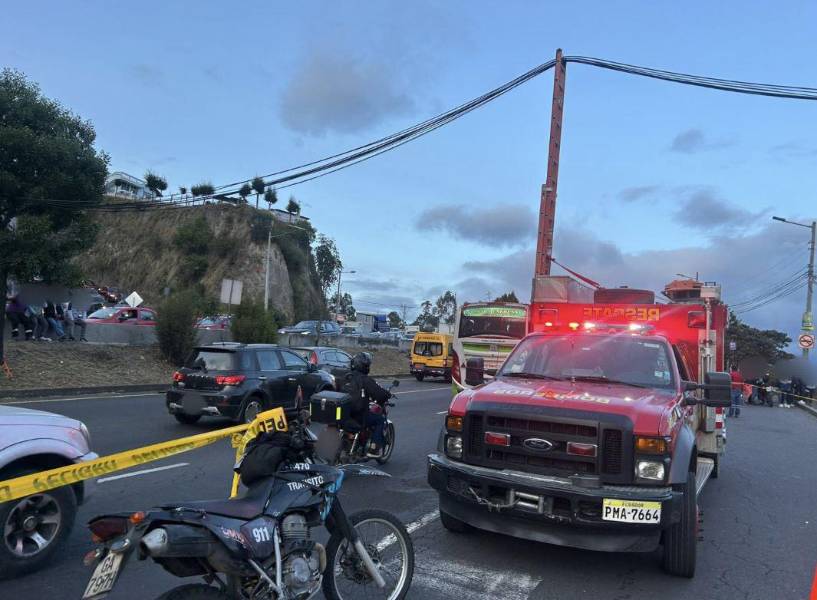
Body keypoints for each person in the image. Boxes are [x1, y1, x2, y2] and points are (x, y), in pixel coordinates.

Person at [341, 352, 391, 458]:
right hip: (358, 416)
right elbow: (379, 394)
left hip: (342, 414)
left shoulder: (344, 377)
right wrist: (387, 394)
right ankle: (373, 449)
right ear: (365, 366)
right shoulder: (365, 380)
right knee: (379, 420)